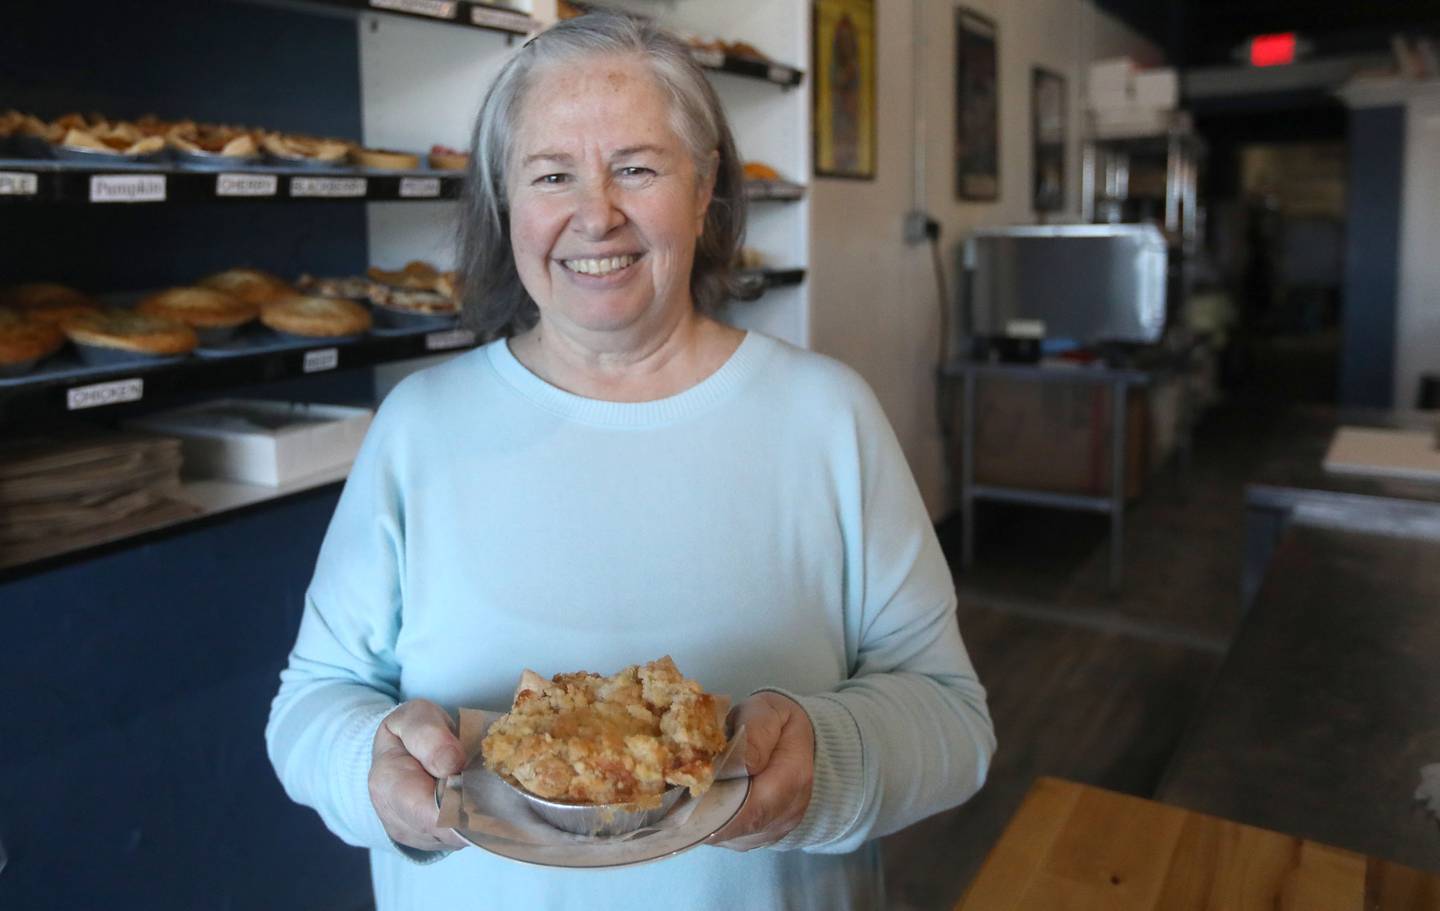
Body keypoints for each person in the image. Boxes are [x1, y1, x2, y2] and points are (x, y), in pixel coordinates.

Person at [265, 12, 995, 911]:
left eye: (638, 168)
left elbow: (954, 722)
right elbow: (314, 701)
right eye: (552, 174)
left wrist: (826, 754)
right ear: (506, 200)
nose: (595, 213)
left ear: (704, 188)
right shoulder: (419, 427)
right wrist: (364, 765)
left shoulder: (826, 415)